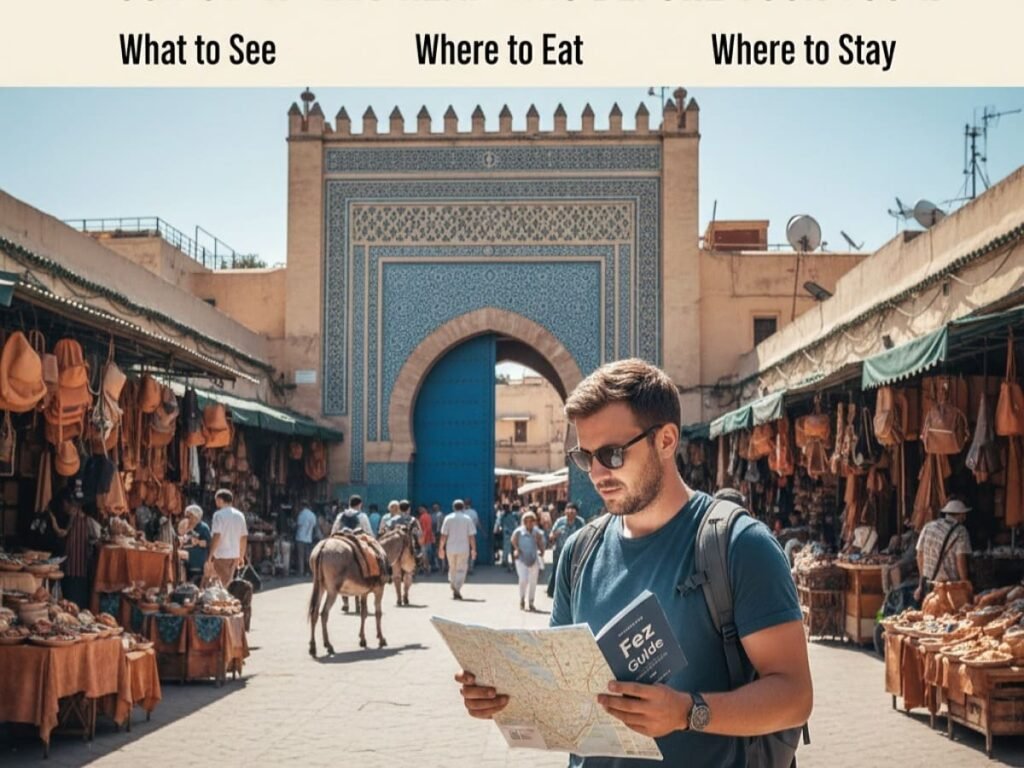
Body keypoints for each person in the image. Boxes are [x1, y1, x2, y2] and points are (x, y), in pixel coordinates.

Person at [455, 359, 812, 766]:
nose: (597, 473)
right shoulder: (579, 552)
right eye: (585, 456)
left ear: (666, 440)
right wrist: (506, 697)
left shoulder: (738, 546)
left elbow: (794, 697)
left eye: (612, 454)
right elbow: (564, 686)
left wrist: (686, 711)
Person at [914, 497, 973, 603]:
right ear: (961, 515)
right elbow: (961, 560)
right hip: (949, 587)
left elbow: (919, 555)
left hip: (929, 584)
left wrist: (921, 582)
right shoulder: (961, 532)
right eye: (964, 514)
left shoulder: (928, 527)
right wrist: (965, 584)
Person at [49, 486, 91, 608]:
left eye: (64, 504)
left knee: (72, 604)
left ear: (66, 503)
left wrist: (52, 519)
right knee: (74, 605)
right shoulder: (83, 518)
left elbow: (61, 533)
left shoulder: (79, 518)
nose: (63, 507)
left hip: (74, 570)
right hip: (79, 571)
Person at [209, 489, 248, 587]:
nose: (216, 503)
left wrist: (210, 555)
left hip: (221, 554)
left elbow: (217, 536)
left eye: (216, 500)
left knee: (224, 585)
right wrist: (241, 555)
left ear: (220, 500)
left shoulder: (218, 515)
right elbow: (243, 537)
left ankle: (226, 600)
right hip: (234, 555)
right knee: (228, 582)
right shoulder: (240, 515)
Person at [439, 499, 476, 600]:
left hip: (450, 548)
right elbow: (471, 536)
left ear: (453, 507)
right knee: (461, 569)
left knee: (452, 568)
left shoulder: (448, 518)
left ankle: (453, 585)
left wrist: (441, 548)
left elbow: (443, 535)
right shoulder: (467, 519)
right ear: (463, 507)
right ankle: (457, 588)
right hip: (463, 548)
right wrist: (473, 549)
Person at [546, 501, 584, 598]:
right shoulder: (560, 521)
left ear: (576, 513)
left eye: (573, 511)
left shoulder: (580, 522)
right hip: (559, 551)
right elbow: (551, 536)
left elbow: (585, 536)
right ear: (565, 512)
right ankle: (551, 591)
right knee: (557, 571)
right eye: (568, 511)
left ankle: (569, 593)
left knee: (572, 573)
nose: (570, 513)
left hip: (575, 553)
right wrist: (555, 534)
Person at [512, 510, 545, 611]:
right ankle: (522, 599)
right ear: (524, 521)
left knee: (533, 582)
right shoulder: (519, 531)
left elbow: (541, 543)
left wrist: (542, 552)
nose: (530, 523)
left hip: (533, 558)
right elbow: (513, 540)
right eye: (527, 521)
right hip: (521, 559)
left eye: (532, 521)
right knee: (523, 580)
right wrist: (517, 549)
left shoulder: (537, 532)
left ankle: (531, 602)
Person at [179, 504, 212, 585]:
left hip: (197, 562)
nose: (187, 518)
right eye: (186, 515)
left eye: (189, 516)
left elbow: (207, 543)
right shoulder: (185, 526)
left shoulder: (203, 527)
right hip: (186, 561)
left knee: (195, 583)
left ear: (196, 516)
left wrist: (198, 542)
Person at [295, 500, 317, 577]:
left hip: (300, 538)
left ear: (302, 506)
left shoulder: (301, 514)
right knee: (308, 556)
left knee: (301, 556)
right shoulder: (313, 515)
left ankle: (301, 572)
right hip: (309, 538)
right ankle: (308, 571)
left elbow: (298, 525)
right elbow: (314, 526)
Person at [498, 504, 519, 572]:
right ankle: (513, 563)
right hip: (514, 534)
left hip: (507, 534)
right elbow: (518, 523)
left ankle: (507, 564)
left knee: (507, 550)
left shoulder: (503, 516)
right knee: (513, 549)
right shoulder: (514, 515)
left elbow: (500, 524)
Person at [418, 504, 438, 573]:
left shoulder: (424, 517)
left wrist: (423, 538)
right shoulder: (427, 516)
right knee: (428, 554)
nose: (419, 510)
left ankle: (426, 567)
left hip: (425, 538)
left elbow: (427, 529)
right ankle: (427, 567)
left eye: (421, 509)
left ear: (424, 509)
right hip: (428, 538)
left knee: (424, 554)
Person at [464, 497, 480, 573]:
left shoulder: (462, 512)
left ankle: (466, 567)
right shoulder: (474, 512)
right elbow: (477, 523)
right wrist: (483, 532)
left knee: (465, 551)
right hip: (472, 534)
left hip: (463, 535)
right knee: (473, 550)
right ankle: (471, 566)